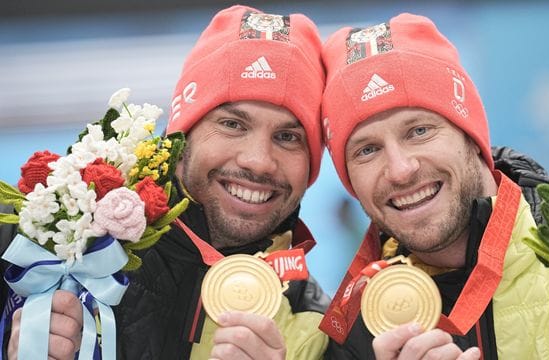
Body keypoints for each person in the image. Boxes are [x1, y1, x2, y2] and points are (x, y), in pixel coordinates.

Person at [1, 5, 330, 360]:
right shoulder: (37, 235)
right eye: (233, 124)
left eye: (288, 137)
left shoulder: (316, 330)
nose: (258, 161)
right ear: (182, 136)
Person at [318, 13, 549, 359]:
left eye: (419, 131)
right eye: (367, 150)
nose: (401, 170)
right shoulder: (358, 330)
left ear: (471, 136)